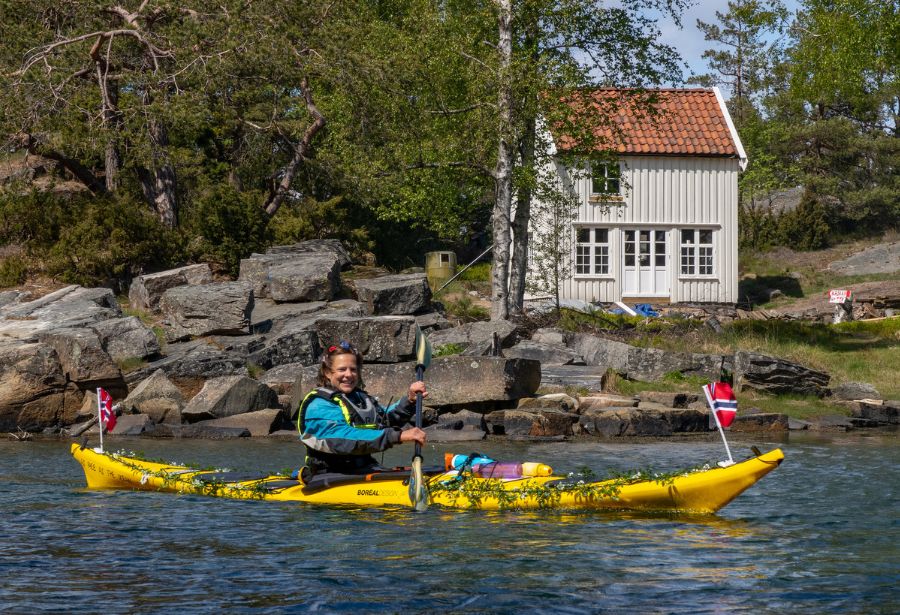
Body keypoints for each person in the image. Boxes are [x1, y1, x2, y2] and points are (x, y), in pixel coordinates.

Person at [296, 340, 427, 476]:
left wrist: (410, 400)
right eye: (342, 369)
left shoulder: (359, 399)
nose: (348, 374)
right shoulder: (318, 405)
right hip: (330, 476)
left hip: (364, 470)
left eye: (353, 369)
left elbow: (385, 421)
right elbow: (344, 438)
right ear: (328, 373)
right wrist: (398, 436)